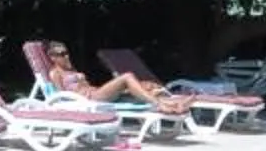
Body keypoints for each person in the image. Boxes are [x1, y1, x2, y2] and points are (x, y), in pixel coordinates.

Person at [44, 42, 190, 115]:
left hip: (96, 92)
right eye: (61, 54)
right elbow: (60, 97)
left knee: (145, 86)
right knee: (127, 77)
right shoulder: (55, 73)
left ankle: (174, 103)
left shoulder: (70, 69)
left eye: (66, 53)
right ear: (52, 57)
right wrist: (79, 99)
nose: (66, 56)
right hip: (89, 99)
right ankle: (159, 105)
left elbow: (85, 84)